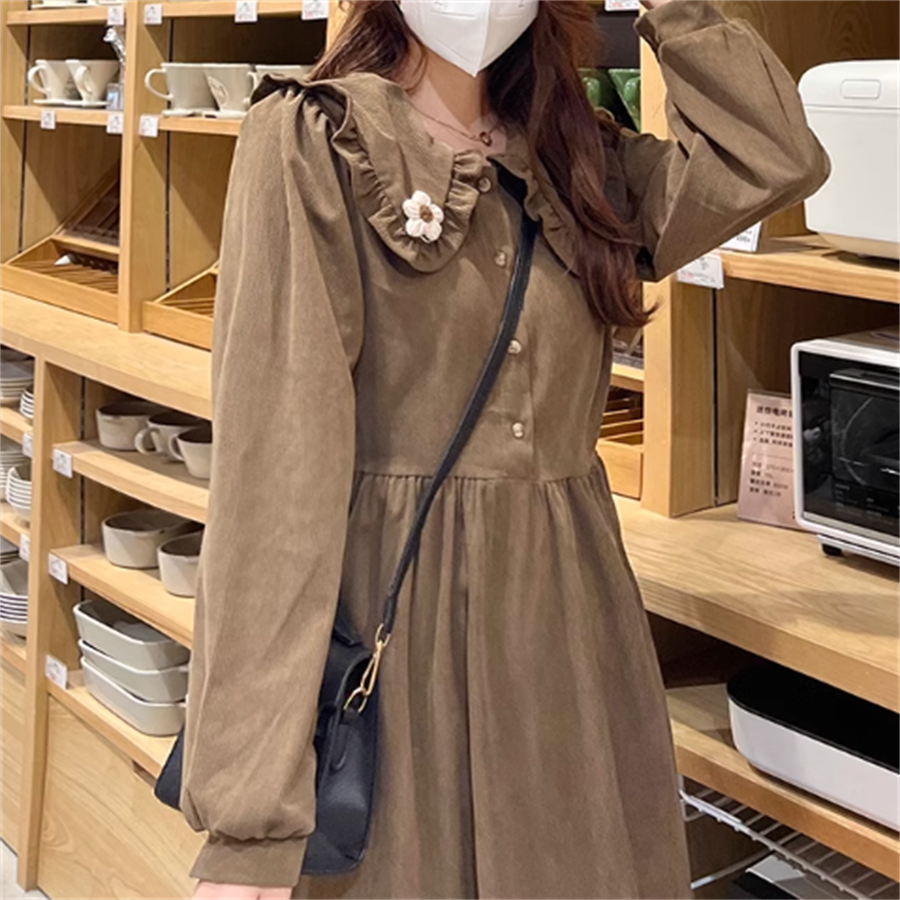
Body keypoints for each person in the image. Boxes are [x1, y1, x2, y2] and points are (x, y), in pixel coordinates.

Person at [182, 1, 829, 898]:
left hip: (571, 629)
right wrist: (248, 820)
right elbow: (273, 485)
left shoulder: (576, 157)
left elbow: (774, 157)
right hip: (398, 630)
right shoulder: (315, 141)